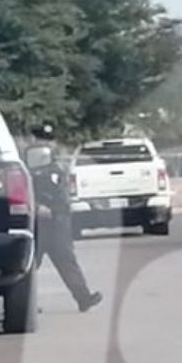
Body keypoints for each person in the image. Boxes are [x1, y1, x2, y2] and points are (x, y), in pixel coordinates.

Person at [28, 124, 103, 313]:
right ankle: (25, 305)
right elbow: (23, 192)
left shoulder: (56, 165)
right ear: (34, 141)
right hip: (38, 222)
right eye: (43, 140)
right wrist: (36, 207)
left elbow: (62, 191)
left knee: (66, 259)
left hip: (58, 219)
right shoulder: (27, 165)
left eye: (50, 140)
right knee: (29, 264)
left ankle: (83, 297)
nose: (48, 144)